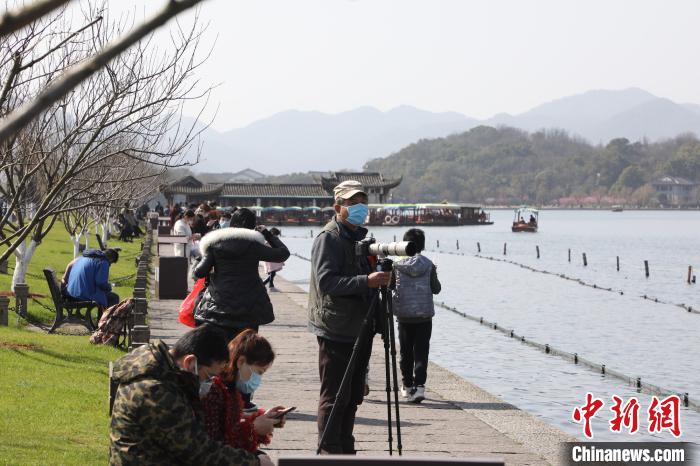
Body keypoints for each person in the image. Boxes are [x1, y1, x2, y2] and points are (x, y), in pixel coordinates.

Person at [307, 180, 391, 454]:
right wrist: (365, 281)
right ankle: (329, 450)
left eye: (362, 203)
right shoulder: (328, 238)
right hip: (336, 326)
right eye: (352, 203)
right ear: (338, 207)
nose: (359, 208)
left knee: (354, 394)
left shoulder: (362, 239)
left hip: (360, 326)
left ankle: (346, 448)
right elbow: (327, 282)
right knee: (335, 395)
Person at [109, 325, 271, 466]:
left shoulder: (163, 375)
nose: (210, 383)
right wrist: (253, 462)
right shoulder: (156, 391)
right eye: (208, 376)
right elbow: (198, 452)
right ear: (190, 363)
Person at [192, 208, 290, 342]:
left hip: (218, 304)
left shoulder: (215, 243)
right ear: (252, 226)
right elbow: (283, 253)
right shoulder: (254, 245)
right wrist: (267, 234)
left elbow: (199, 272)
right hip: (250, 306)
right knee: (245, 347)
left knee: (220, 348)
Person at [201, 329, 288, 453]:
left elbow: (234, 424)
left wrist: (265, 417)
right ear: (241, 362)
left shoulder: (231, 390)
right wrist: (253, 428)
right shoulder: (214, 391)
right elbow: (216, 441)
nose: (258, 379)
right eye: (258, 372)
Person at [391, 228, 441, 404]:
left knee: (405, 352)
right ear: (422, 245)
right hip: (424, 317)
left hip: (404, 316)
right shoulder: (429, 265)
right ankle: (419, 387)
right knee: (421, 352)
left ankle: (406, 386)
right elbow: (436, 289)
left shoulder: (396, 265)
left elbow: (390, 286)